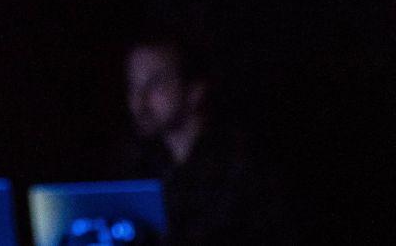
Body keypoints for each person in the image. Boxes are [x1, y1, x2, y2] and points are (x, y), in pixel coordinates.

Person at [122, 36, 290, 244]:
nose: (138, 100)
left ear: (195, 90)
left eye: (156, 83)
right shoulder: (137, 166)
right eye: (133, 85)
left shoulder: (243, 164)